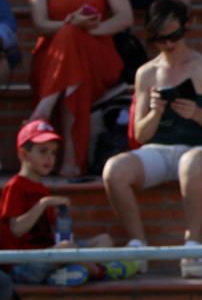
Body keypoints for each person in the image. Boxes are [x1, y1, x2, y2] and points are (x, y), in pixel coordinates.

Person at [102, 0, 202, 278]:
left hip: (201, 150)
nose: (169, 45)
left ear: (187, 27)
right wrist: (155, 113)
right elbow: (139, 134)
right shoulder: (146, 73)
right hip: (159, 150)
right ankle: (138, 245)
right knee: (114, 170)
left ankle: (193, 244)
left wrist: (196, 113)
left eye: (174, 37)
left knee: (191, 163)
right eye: (160, 39)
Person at [27, 0, 133, 178]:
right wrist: (70, 25)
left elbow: (125, 17)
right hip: (52, 58)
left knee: (74, 42)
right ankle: (73, 160)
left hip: (98, 52)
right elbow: (39, 24)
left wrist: (88, 29)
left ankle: (44, 108)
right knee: (71, 47)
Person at [0, 119, 134, 286]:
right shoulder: (15, 186)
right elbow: (16, 230)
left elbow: (50, 236)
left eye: (53, 152)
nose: (50, 158)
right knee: (66, 249)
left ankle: (63, 274)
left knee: (103, 240)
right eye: (43, 151)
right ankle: (104, 272)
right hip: (22, 266)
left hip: (50, 254)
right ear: (23, 154)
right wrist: (42, 205)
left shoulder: (42, 189)